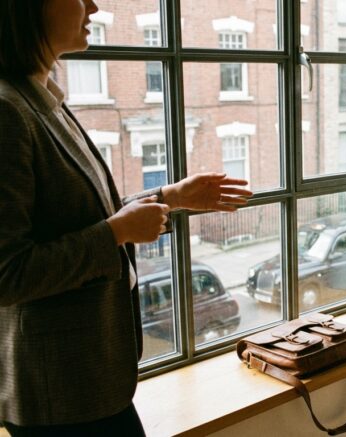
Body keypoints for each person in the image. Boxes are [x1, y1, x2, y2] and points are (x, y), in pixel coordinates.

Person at [0, 0, 253, 435]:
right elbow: (7, 274)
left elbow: (78, 218)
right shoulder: (8, 112)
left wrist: (168, 197)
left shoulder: (41, 100)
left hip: (89, 384)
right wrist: (115, 233)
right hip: (58, 397)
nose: (93, 5)